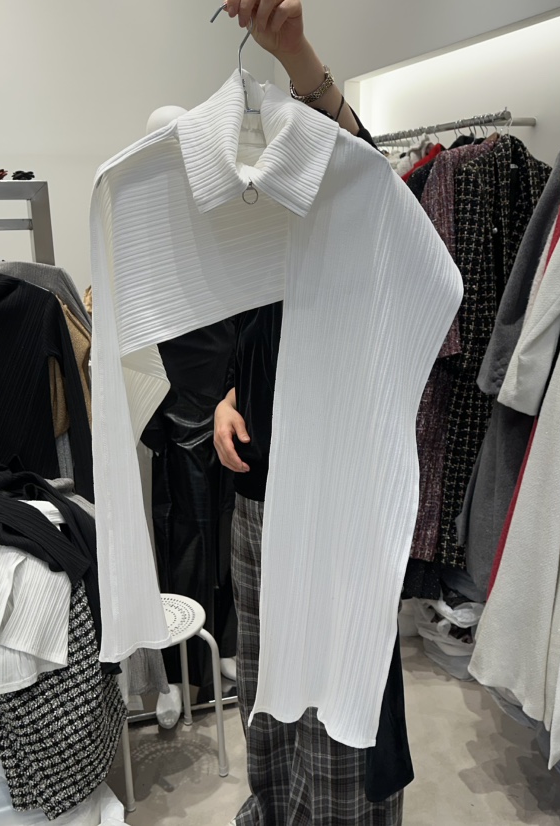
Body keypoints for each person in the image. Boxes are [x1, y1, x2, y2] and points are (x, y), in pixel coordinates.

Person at [215, 2, 411, 823]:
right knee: (267, 683)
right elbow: (259, 333)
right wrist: (228, 398)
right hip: (258, 491)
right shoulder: (256, 220)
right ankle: (270, 809)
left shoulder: (357, 213)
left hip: (335, 500)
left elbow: (372, 174)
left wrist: (294, 55)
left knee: (337, 693)